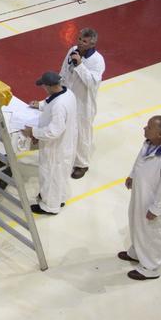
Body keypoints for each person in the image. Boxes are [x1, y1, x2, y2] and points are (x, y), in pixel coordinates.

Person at [120, 115, 161, 281]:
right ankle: (137, 253)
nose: (144, 128)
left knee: (152, 233)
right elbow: (139, 162)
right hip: (140, 193)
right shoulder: (149, 143)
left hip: (152, 200)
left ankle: (151, 267)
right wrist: (132, 176)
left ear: (160, 134)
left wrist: (156, 209)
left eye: (149, 127)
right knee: (136, 223)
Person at [22, 71, 77, 216]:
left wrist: (33, 131)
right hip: (66, 144)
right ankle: (60, 198)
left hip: (55, 148)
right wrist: (39, 105)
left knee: (50, 175)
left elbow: (53, 131)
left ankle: (50, 206)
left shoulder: (59, 106)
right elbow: (50, 102)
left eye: (44, 86)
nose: (43, 89)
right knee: (60, 174)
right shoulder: (67, 93)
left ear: (50, 86)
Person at [59, 28, 104, 179]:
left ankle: (82, 164)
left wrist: (79, 65)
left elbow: (92, 82)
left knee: (83, 133)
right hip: (68, 96)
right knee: (66, 129)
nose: (80, 43)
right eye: (79, 39)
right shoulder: (72, 50)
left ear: (92, 44)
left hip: (84, 103)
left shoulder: (97, 60)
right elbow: (64, 70)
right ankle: (67, 155)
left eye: (84, 41)